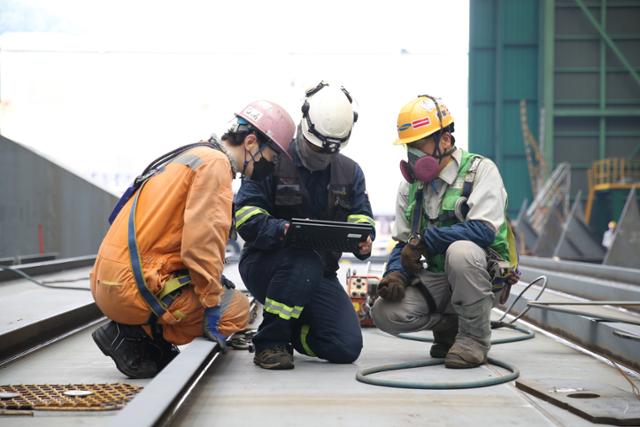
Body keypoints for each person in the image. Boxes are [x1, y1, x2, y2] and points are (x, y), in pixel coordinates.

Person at [91, 100, 296, 378]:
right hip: (133, 287)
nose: (269, 167)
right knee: (234, 309)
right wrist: (211, 302)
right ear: (250, 142)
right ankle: (136, 335)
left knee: (217, 291)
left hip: (111, 278)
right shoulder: (215, 166)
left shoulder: (195, 153)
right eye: (270, 157)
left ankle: (138, 329)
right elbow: (202, 246)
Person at [234, 81, 375, 370]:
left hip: (320, 273)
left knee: (345, 346)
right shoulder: (270, 158)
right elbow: (246, 216)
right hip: (266, 266)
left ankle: (293, 333)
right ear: (304, 126)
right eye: (315, 148)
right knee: (303, 260)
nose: (321, 157)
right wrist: (282, 231)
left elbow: (362, 216)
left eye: (328, 152)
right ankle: (270, 343)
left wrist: (363, 240)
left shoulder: (349, 172)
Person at [371, 95, 519, 369]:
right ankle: (452, 326)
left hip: (479, 275)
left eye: (419, 145)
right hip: (441, 279)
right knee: (384, 312)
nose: (413, 155)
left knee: (460, 251)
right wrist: (396, 273)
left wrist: (426, 241)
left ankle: (474, 339)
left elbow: (483, 232)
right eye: (408, 147)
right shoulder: (410, 188)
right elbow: (403, 243)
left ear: (445, 141)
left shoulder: (480, 172)